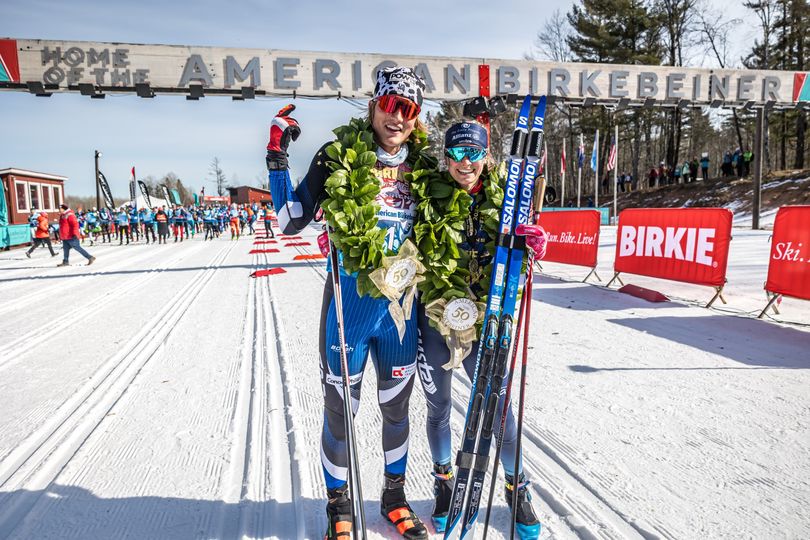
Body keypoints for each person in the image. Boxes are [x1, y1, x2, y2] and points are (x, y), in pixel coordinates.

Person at [266, 67, 431, 540]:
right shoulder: (338, 157)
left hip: (400, 316)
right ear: (375, 104)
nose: (398, 117)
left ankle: (394, 498)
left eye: (409, 109)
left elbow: (468, 194)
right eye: (391, 104)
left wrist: (517, 231)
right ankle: (338, 505)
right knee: (341, 411)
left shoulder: (425, 168)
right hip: (349, 313)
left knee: (398, 409)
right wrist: (277, 155)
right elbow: (289, 218)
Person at [415, 122, 545, 539]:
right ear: (445, 158)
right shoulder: (428, 195)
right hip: (438, 318)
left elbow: (519, 250)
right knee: (438, 408)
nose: (464, 163)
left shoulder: (508, 198)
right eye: (455, 154)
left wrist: (533, 245)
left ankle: (516, 487)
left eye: (473, 153)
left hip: (489, 321)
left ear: (487, 156)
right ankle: (443, 481)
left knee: (499, 414)